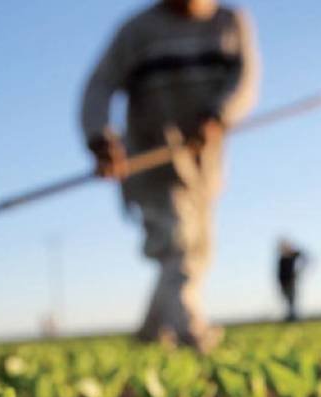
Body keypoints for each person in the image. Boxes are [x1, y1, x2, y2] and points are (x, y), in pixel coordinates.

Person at [80, 0, 260, 352]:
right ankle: (191, 333)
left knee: (198, 250)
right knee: (177, 243)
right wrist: (99, 136)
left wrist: (218, 115)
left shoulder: (231, 22)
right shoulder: (138, 30)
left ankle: (150, 333)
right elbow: (99, 85)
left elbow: (245, 81)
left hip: (203, 164)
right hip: (151, 159)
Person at [277, 239, 307, 321]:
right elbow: (280, 273)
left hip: (291, 281)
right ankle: (290, 316)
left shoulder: (292, 255)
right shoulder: (281, 258)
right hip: (283, 283)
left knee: (292, 300)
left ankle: (293, 317)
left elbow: (304, 256)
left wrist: (300, 270)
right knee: (287, 300)